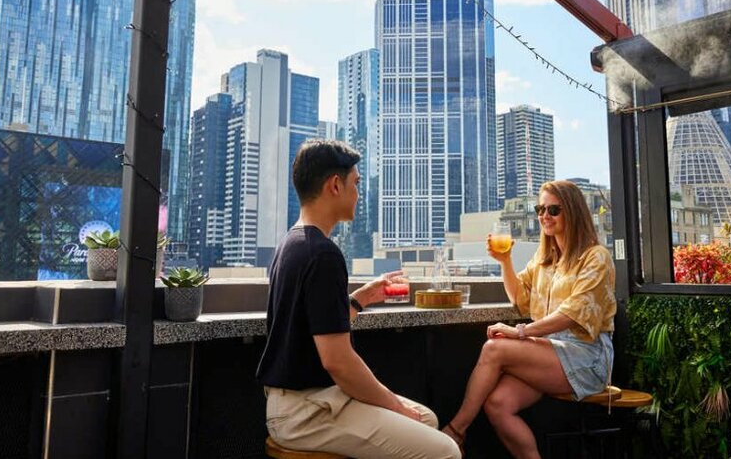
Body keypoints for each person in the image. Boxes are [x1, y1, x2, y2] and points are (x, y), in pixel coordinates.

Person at [256, 139, 460, 459]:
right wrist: (395, 407)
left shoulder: (292, 245)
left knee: (428, 420)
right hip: (307, 413)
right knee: (446, 452)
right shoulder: (323, 254)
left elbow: (311, 332)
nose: (359, 193)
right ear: (335, 185)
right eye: (356, 183)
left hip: (298, 401)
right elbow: (338, 361)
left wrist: (359, 299)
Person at [441, 180, 616, 459]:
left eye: (553, 210)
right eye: (540, 209)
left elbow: (572, 314)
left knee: (495, 348)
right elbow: (519, 298)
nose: (544, 216)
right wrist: (505, 261)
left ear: (573, 212)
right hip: (549, 351)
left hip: (588, 356)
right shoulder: (545, 258)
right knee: (497, 403)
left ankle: (455, 432)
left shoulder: (595, 257)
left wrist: (520, 332)